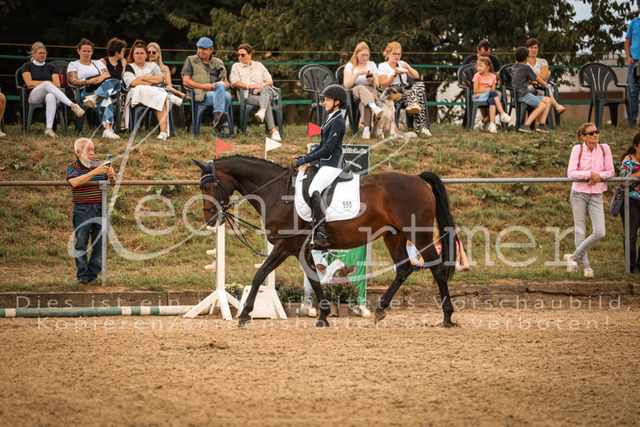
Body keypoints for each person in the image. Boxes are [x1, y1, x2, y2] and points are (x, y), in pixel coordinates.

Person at [293, 84, 347, 248]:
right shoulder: (330, 118)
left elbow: (328, 149)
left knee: (313, 190)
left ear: (337, 102)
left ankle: (322, 232)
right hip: (325, 163)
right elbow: (322, 145)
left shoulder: (338, 121)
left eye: (328, 100)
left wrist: (307, 158)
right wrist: (306, 157)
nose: (324, 103)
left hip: (333, 164)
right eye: (325, 100)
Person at [565, 123, 615, 278]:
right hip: (579, 193)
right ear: (583, 137)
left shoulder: (605, 148)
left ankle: (573, 258)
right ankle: (586, 267)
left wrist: (598, 176)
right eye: (591, 133)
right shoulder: (577, 149)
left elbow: (611, 171)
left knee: (600, 232)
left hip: (597, 193)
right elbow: (571, 172)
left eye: (596, 131)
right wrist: (589, 174)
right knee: (580, 229)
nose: (595, 135)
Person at [66, 137, 115, 284]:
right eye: (88, 150)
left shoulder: (99, 164)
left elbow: (112, 183)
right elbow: (74, 182)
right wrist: (95, 173)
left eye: (93, 150)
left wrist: (111, 176)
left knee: (101, 243)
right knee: (81, 243)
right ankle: (82, 275)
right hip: (83, 209)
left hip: (101, 208)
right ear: (78, 152)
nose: (92, 153)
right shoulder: (72, 167)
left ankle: (92, 274)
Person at [21, 41, 85, 138]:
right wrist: (46, 83)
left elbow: (57, 85)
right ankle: (72, 105)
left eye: (44, 53)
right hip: (33, 96)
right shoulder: (27, 66)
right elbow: (29, 83)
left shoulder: (51, 67)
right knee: (47, 84)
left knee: (51, 96)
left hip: (47, 95)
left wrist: (39, 83)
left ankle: (49, 129)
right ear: (33, 54)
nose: (43, 55)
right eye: (40, 53)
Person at [123, 40, 183, 141]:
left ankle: (163, 133)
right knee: (141, 88)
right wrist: (151, 81)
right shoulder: (129, 67)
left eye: (142, 53)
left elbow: (160, 78)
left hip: (153, 93)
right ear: (133, 55)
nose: (139, 56)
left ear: (146, 55)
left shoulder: (152, 66)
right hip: (136, 95)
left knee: (158, 97)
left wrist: (142, 78)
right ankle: (168, 97)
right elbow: (133, 83)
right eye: (137, 53)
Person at [67, 38, 121, 139]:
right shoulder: (73, 64)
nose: (86, 53)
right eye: (84, 51)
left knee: (116, 82)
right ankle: (107, 130)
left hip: (100, 88)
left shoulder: (98, 63)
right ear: (78, 51)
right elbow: (73, 81)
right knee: (106, 98)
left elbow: (107, 75)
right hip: (85, 91)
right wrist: (88, 81)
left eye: (88, 51)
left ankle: (95, 97)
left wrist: (101, 78)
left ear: (92, 52)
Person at [378, 41, 432, 138]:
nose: (397, 56)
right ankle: (422, 127)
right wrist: (394, 74)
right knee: (417, 97)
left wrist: (408, 68)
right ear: (388, 53)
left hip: (406, 91)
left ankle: (413, 104)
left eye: (399, 54)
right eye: (394, 54)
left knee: (420, 85)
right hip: (394, 92)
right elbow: (383, 84)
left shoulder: (402, 63)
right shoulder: (383, 66)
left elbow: (416, 76)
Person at [230, 43, 282, 141]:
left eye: (243, 55)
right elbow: (234, 83)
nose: (240, 57)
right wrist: (251, 86)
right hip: (248, 96)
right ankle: (274, 131)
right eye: (238, 54)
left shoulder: (259, 65)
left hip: (266, 92)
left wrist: (260, 86)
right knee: (266, 103)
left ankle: (262, 112)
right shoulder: (236, 66)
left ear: (250, 55)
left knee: (265, 90)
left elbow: (269, 81)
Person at [181, 37, 232, 137]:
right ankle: (220, 127)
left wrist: (219, 85)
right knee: (227, 97)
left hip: (216, 93)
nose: (201, 51)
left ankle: (217, 118)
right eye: (199, 48)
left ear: (211, 49)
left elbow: (228, 84)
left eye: (204, 49)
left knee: (222, 88)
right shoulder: (191, 60)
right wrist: (203, 86)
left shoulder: (218, 62)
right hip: (200, 94)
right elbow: (185, 81)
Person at [342, 41, 382, 140]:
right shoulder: (350, 65)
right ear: (356, 54)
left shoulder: (372, 64)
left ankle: (366, 130)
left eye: (367, 55)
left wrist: (372, 80)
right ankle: (374, 107)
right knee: (361, 88)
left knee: (365, 102)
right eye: (362, 55)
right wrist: (357, 74)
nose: (365, 58)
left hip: (370, 90)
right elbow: (346, 85)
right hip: (355, 90)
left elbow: (377, 85)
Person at [511, 47, 553, 133]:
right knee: (542, 105)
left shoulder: (514, 67)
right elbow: (537, 78)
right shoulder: (526, 68)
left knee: (548, 100)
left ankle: (542, 125)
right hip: (523, 95)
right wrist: (545, 85)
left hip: (517, 94)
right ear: (527, 58)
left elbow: (525, 80)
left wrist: (535, 84)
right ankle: (526, 125)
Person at [525, 38, 565, 115]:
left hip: (541, 87)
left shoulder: (543, 61)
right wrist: (537, 80)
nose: (534, 50)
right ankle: (556, 105)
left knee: (543, 88)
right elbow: (523, 78)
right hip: (528, 88)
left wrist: (530, 75)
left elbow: (545, 76)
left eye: (536, 48)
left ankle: (541, 118)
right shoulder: (522, 62)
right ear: (527, 49)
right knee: (544, 87)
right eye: (531, 48)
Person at [472, 57, 511, 133]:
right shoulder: (477, 75)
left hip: (488, 95)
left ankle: (492, 124)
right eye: (478, 66)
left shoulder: (493, 76)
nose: (478, 68)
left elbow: (493, 90)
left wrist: (488, 91)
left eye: (481, 66)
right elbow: (475, 90)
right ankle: (502, 113)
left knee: (492, 100)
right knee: (494, 93)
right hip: (480, 96)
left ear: (488, 67)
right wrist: (487, 90)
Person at [619, 133, 640, 274]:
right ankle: (631, 266)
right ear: (635, 146)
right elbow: (622, 179)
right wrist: (637, 175)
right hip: (631, 201)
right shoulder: (628, 160)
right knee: (631, 235)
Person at [626, 3, 640, 123]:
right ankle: (632, 119)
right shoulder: (634, 23)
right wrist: (628, 57)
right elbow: (627, 42)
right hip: (634, 62)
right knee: (632, 91)